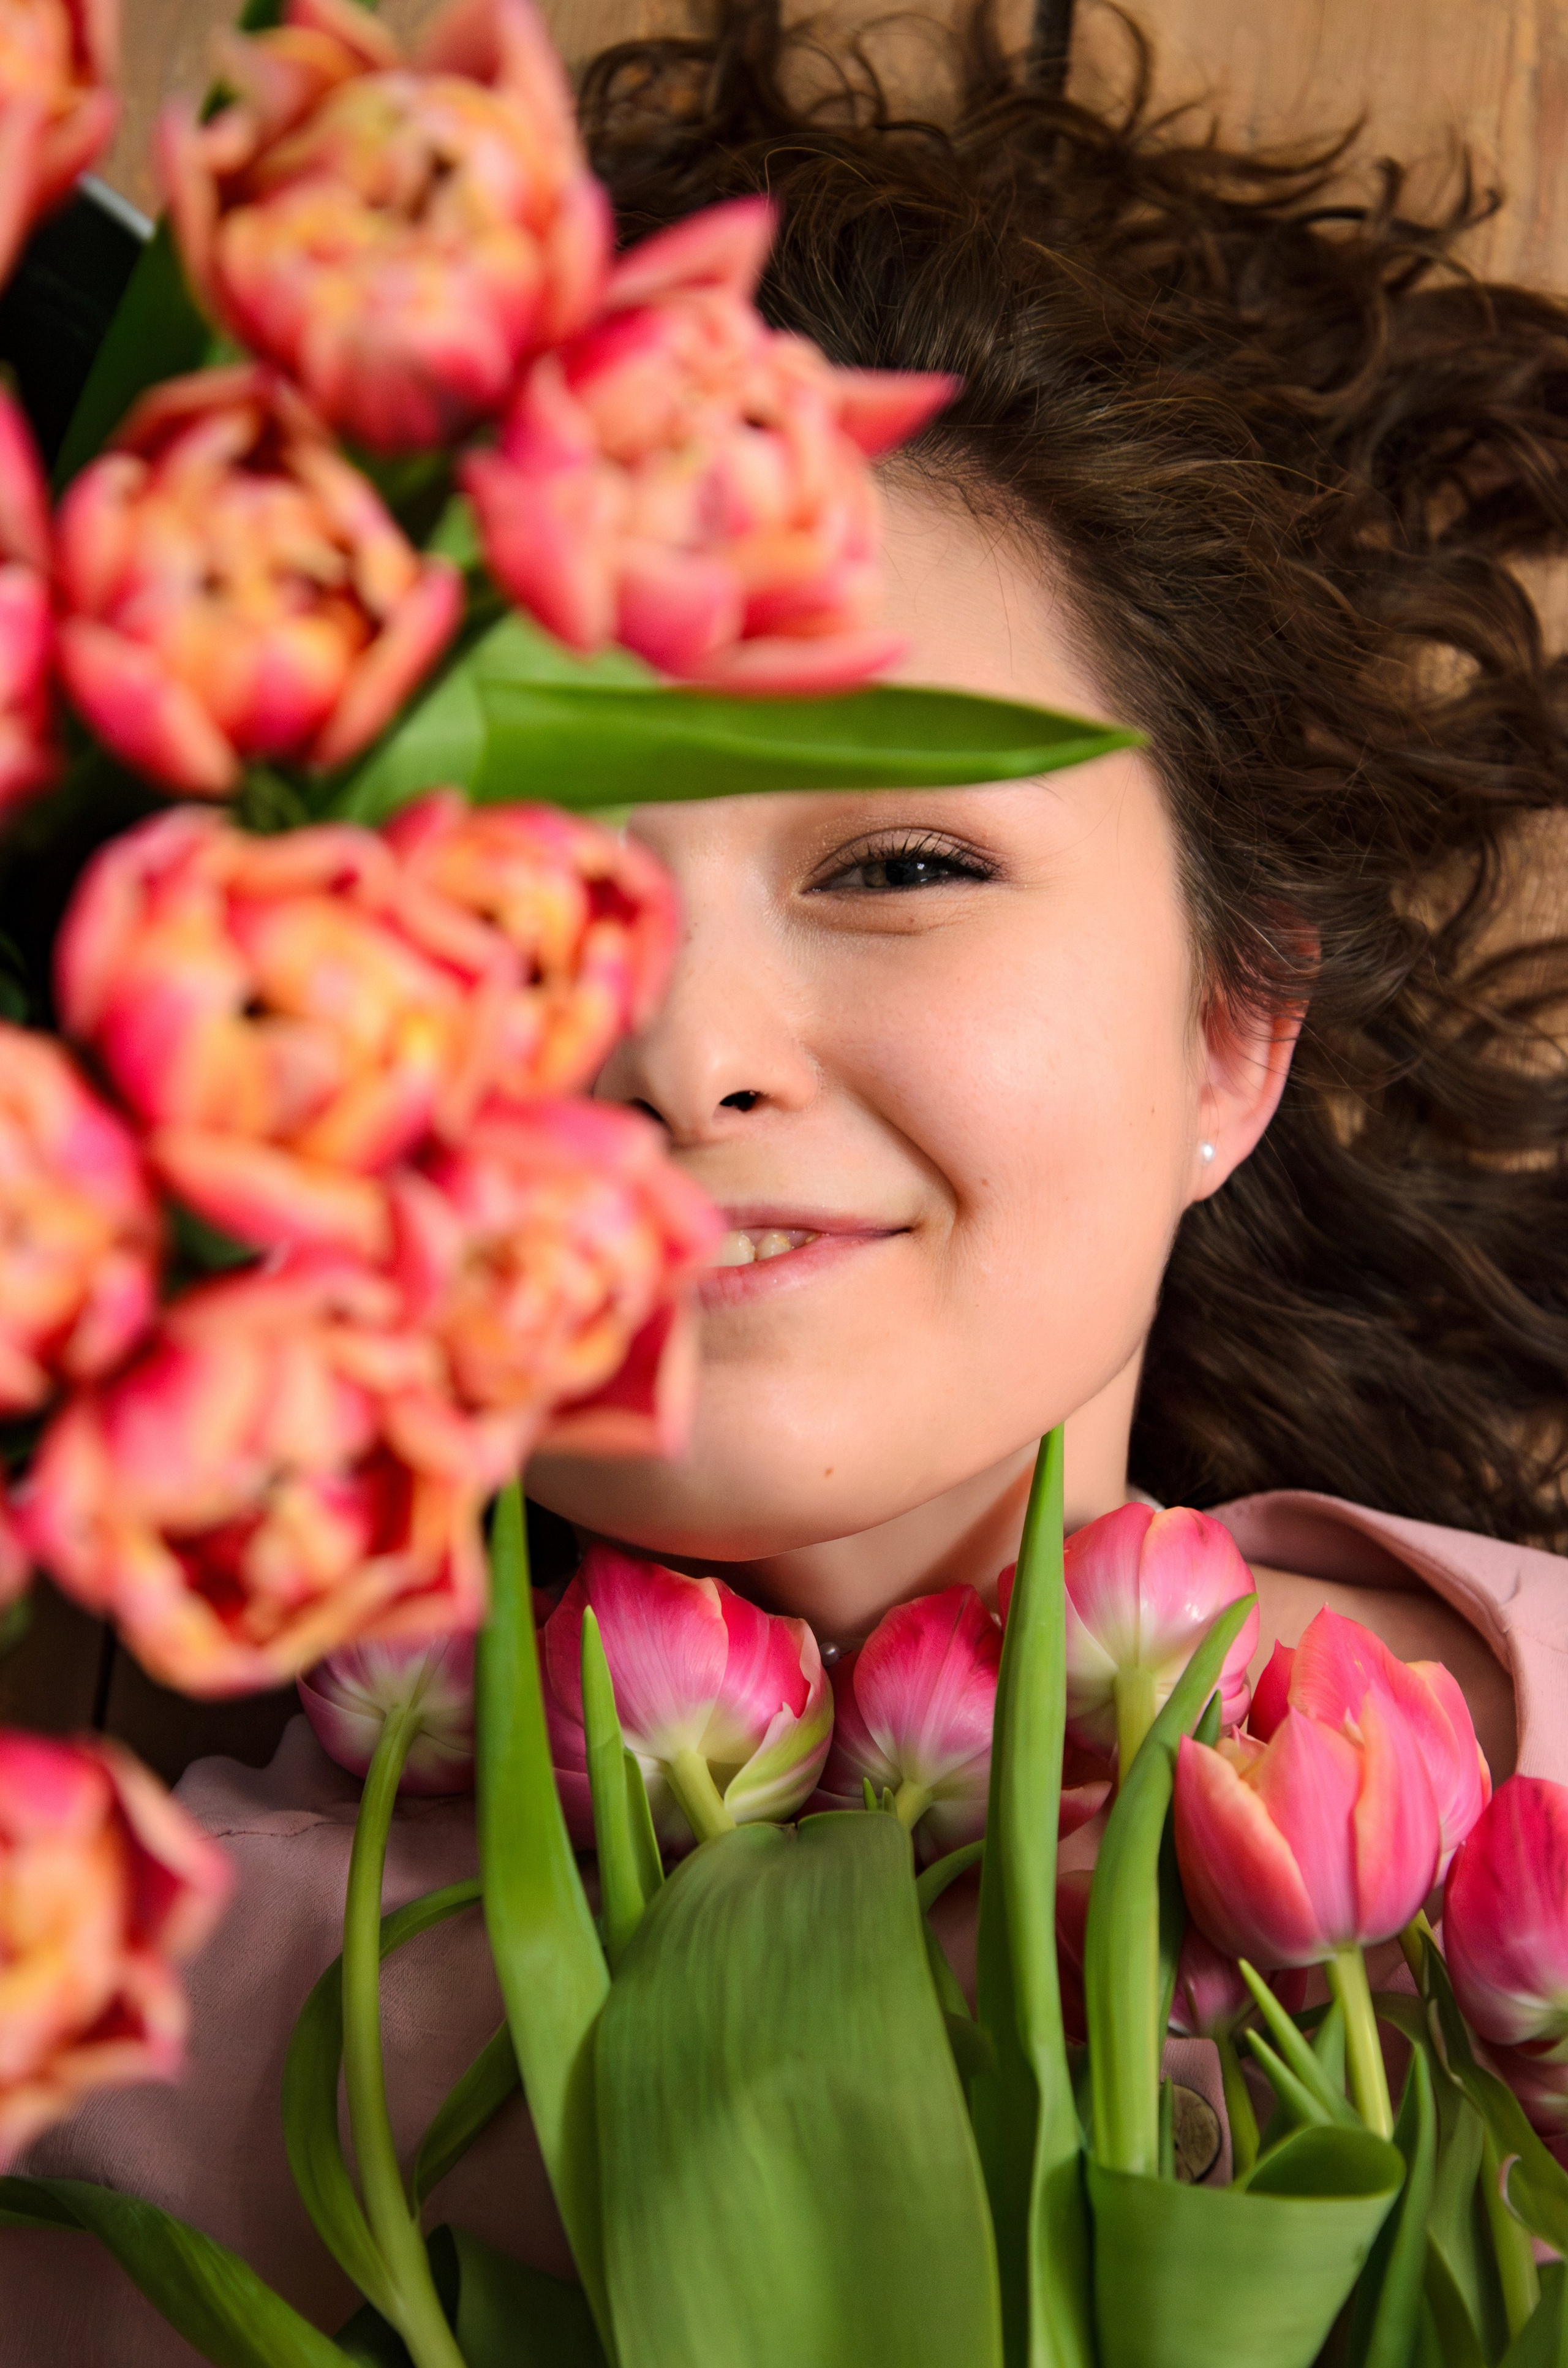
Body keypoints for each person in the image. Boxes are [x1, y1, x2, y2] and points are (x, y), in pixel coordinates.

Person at [7, 4, 1568, 2355]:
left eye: (902, 858)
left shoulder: (1518, 1799)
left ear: (1238, 1027)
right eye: (508, 899)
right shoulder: (115, 2030)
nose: (682, 1055)